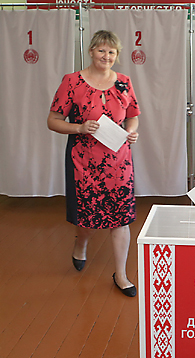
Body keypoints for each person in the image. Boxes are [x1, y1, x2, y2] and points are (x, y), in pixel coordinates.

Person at [47, 30, 140, 297]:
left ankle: (121, 274)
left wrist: (133, 131)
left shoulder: (123, 82)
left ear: (117, 56)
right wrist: (79, 127)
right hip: (83, 160)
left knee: (121, 217)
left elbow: (133, 115)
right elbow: (52, 121)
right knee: (87, 217)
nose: (106, 56)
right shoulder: (72, 82)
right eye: (101, 50)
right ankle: (81, 244)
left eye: (112, 52)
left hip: (119, 161)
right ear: (90, 51)